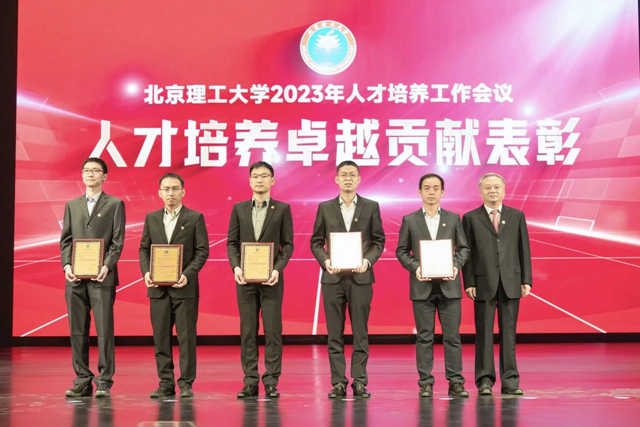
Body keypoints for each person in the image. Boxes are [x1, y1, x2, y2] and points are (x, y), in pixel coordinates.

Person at [310, 160, 385, 399]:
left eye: (352, 174)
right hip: (332, 278)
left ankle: (359, 381)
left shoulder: (371, 206)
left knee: (360, 332)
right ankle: (338, 383)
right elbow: (316, 242)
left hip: (361, 277)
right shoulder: (325, 207)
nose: (348, 178)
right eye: (344, 174)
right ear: (336, 179)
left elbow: (378, 241)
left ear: (359, 179)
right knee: (335, 333)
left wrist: (367, 261)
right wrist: (325, 261)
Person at [396, 173, 470, 398]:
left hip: (450, 286)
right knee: (424, 338)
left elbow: (463, 248)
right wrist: (416, 267)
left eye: (435, 188)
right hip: (422, 287)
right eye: (427, 188)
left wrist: (455, 266)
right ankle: (425, 383)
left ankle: (456, 382)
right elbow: (401, 251)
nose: (431, 192)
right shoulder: (410, 220)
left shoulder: (453, 218)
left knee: (452, 337)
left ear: (442, 192)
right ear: (419, 191)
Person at [227, 161, 294, 399]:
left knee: (273, 331)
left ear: (272, 180)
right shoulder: (239, 209)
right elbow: (232, 243)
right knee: (248, 331)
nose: (259, 180)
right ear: (249, 181)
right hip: (245, 281)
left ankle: (272, 381)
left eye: (265, 176)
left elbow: (287, 245)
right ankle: (250, 381)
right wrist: (236, 266)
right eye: (255, 176)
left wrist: (277, 269)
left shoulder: (282, 209)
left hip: (271, 280)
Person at [139, 173, 209, 398]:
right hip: (158, 289)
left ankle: (186, 383)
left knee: (187, 338)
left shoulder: (195, 217)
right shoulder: (151, 218)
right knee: (160, 338)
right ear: (159, 192)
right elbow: (144, 248)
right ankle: (165, 383)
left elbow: (202, 251)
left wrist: (187, 275)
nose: (171, 193)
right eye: (166, 189)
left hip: (185, 288)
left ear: (183, 192)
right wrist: (147, 272)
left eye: (175, 188)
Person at [60, 157, 126, 398]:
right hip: (75, 278)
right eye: (86, 170)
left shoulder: (115, 204)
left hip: (102, 278)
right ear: (82, 175)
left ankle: (104, 380)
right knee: (77, 330)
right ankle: (82, 379)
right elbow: (66, 240)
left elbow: (117, 241)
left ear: (104, 176)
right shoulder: (72, 205)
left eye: (96, 170)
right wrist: (67, 265)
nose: (90, 174)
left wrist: (107, 266)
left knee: (104, 330)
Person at [462, 173, 532, 396]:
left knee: (509, 334)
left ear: (504, 190)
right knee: (483, 334)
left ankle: (510, 381)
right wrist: (469, 281)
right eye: (488, 187)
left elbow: (524, 249)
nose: (492, 191)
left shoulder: (516, 215)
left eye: (496, 187)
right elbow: (467, 252)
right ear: (480, 191)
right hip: (483, 282)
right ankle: (484, 380)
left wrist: (526, 279)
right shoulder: (470, 218)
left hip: (511, 281)